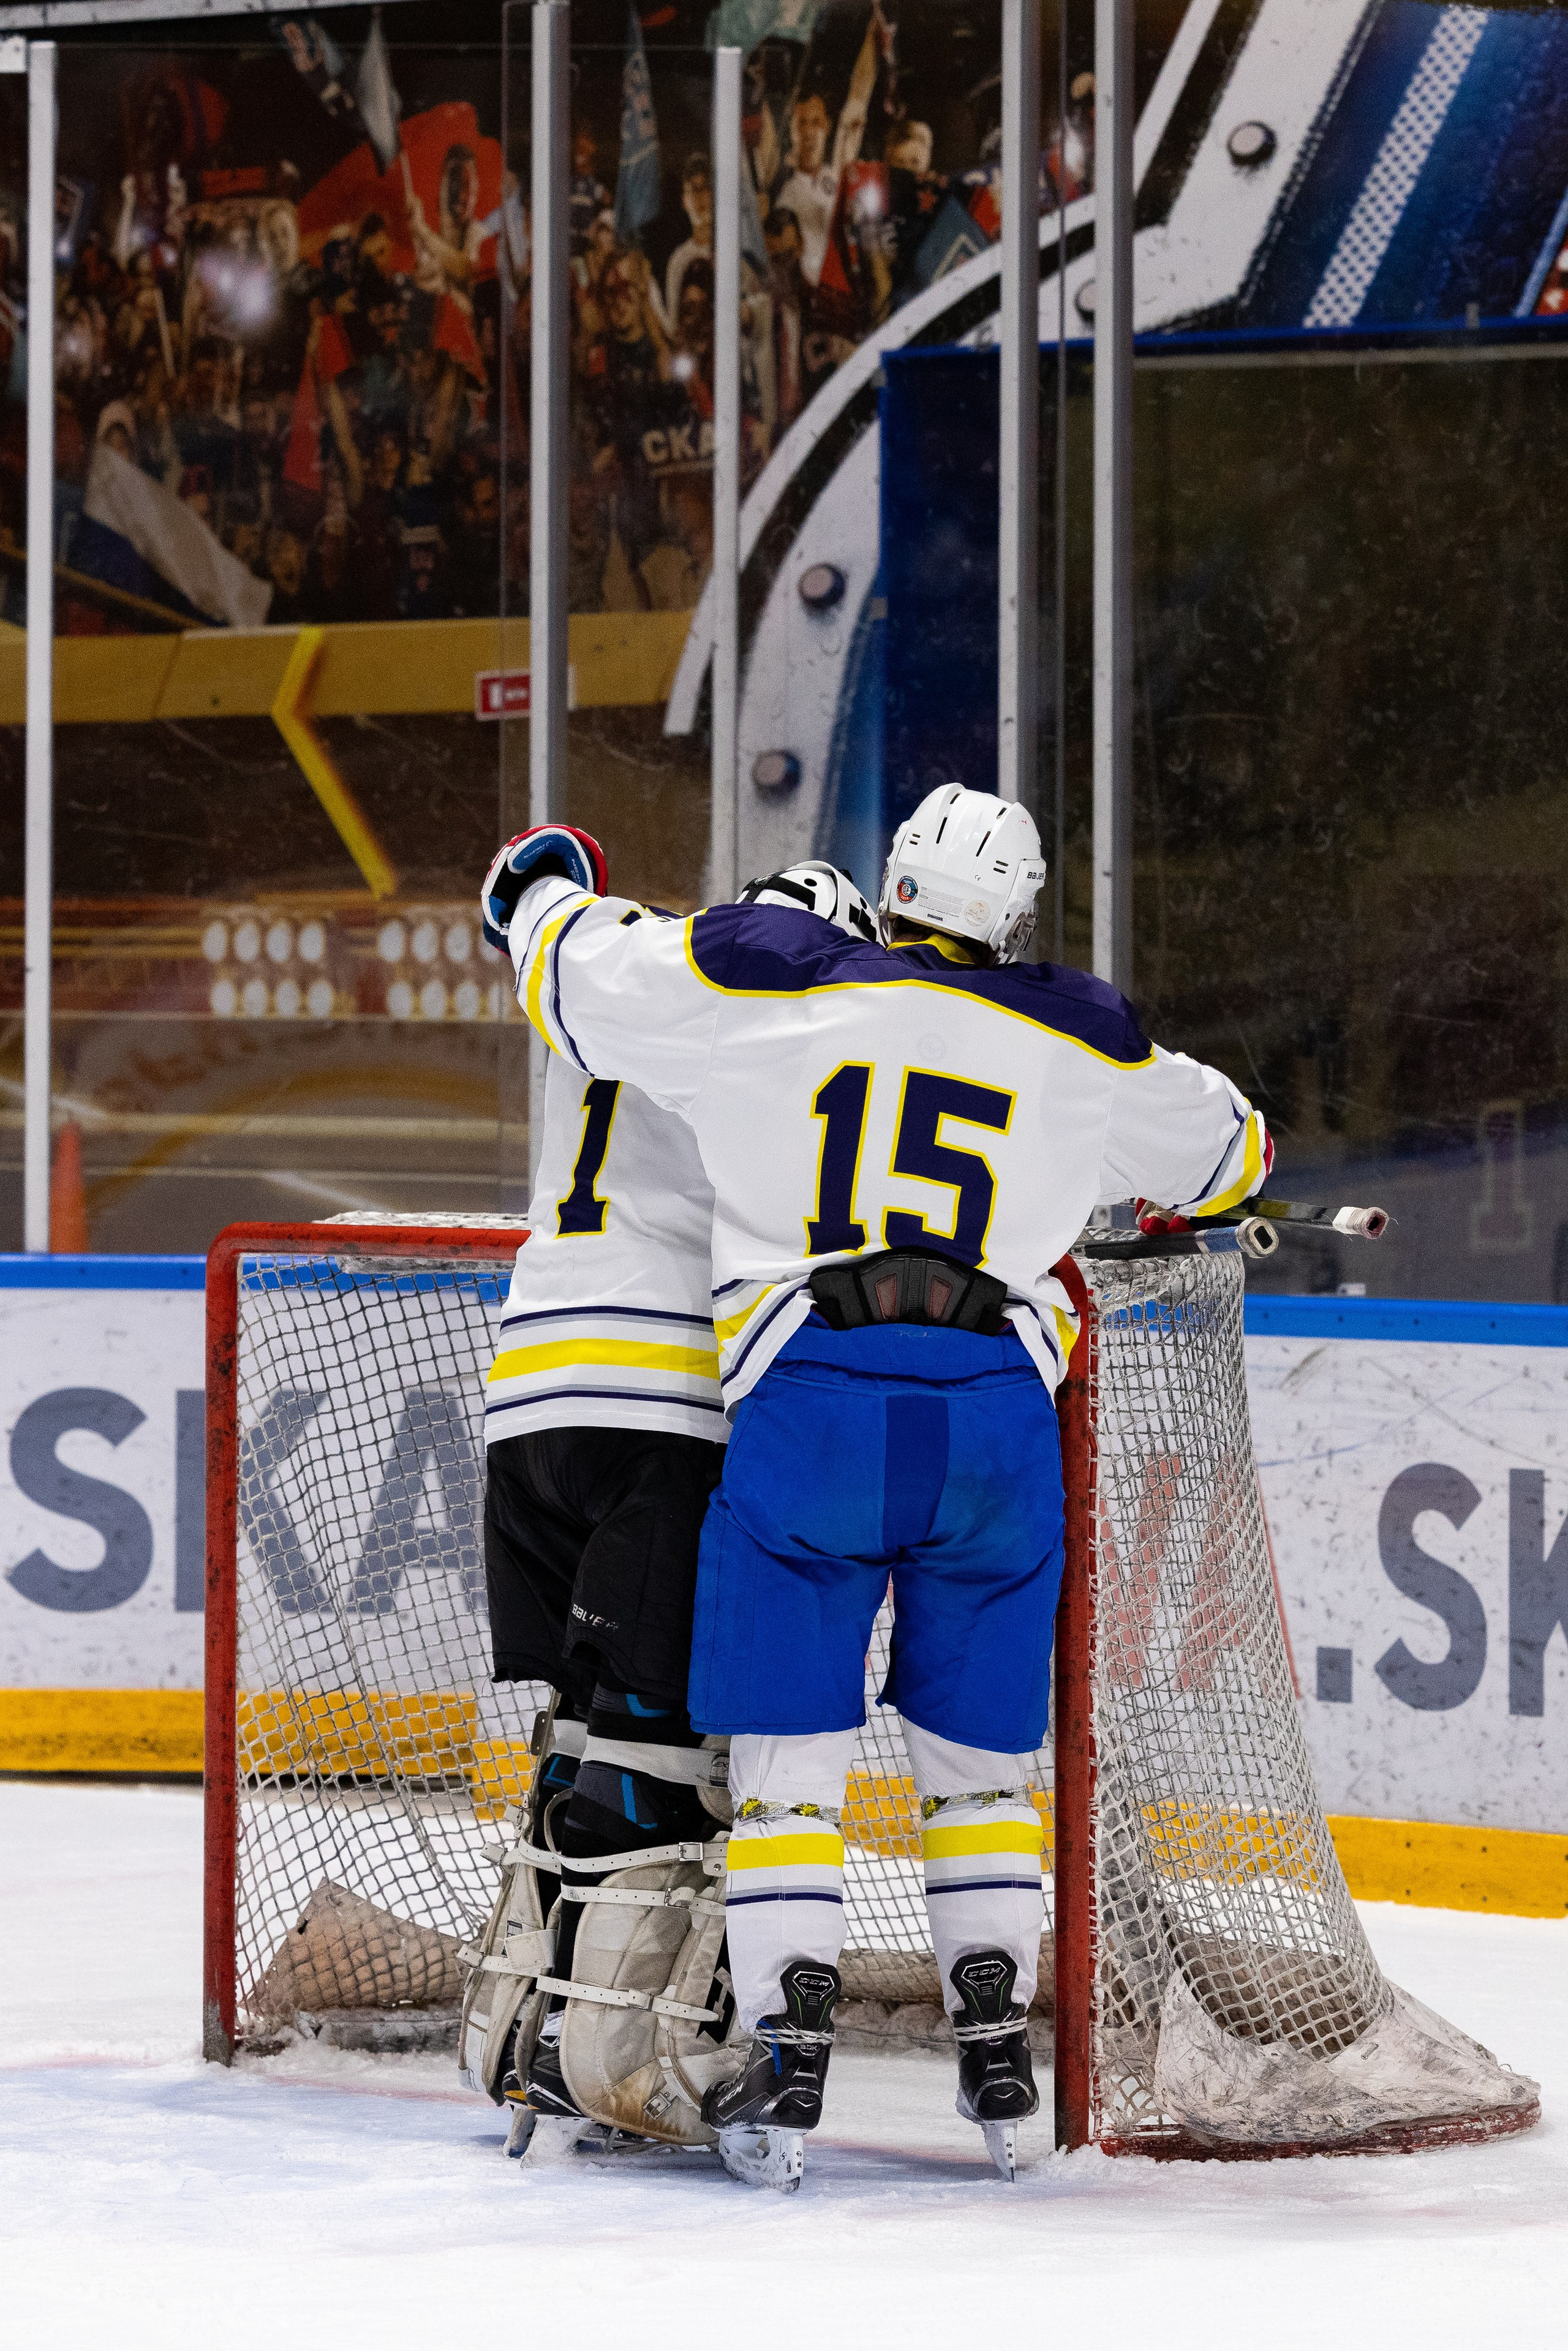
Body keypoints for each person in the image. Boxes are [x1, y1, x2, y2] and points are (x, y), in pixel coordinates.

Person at [478, 784, 1273, 2189]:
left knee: (787, 1764)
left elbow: (570, 969)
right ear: (1014, 911)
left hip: (809, 1404)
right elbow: (1231, 1153)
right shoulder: (1081, 1024)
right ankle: (992, 2044)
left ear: (891, 881)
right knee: (977, 1760)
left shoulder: (762, 978)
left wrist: (534, 892)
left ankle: (786, 2050)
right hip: (992, 1420)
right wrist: (1144, 1182)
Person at [461, 848, 881, 2159]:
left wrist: (546, 882)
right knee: (656, 1748)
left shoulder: (617, 959)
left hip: (530, 1402)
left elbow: (523, 897)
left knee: (581, 1734)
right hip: (667, 1406)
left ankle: (517, 2030)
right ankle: (620, 2057)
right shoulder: (790, 1017)